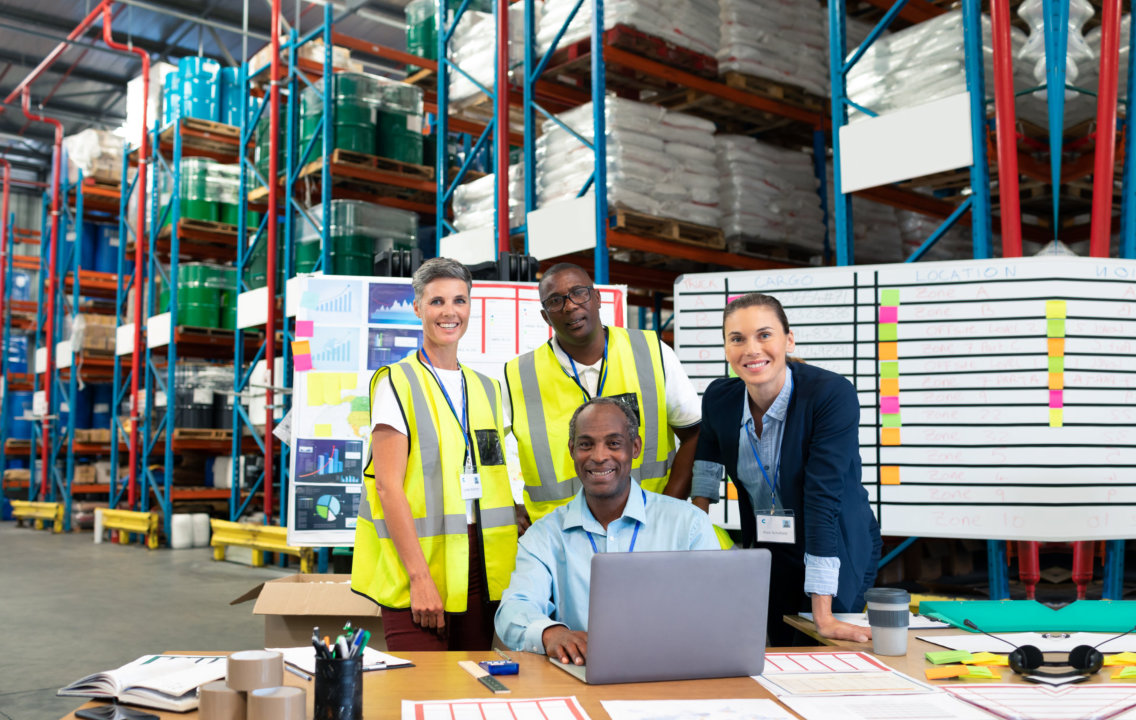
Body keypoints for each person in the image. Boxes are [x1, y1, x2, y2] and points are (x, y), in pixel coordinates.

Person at [691, 292, 882, 646]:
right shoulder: (720, 396)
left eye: (764, 335)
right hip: (771, 546)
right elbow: (707, 454)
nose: (751, 349)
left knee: (820, 649)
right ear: (726, 347)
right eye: (737, 339)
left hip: (836, 542)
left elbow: (823, 501)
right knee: (776, 650)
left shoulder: (830, 396)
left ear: (788, 340)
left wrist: (823, 617)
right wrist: (694, 532)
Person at [352, 258, 518, 651]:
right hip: (419, 562)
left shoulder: (488, 388)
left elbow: (492, 475)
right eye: (437, 301)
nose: (449, 312)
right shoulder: (397, 382)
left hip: (480, 566)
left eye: (459, 301)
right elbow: (389, 488)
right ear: (417, 308)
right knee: (420, 697)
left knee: (468, 690)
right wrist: (420, 578)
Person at [495, 397, 719, 663]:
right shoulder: (544, 535)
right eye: (586, 444)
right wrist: (549, 633)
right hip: (583, 673)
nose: (599, 456)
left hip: (669, 670)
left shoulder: (688, 524)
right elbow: (513, 609)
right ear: (572, 450)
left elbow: (715, 610)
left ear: (634, 448)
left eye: (613, 443)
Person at [505, 263, 702, 527]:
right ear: (545, 316)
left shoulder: (651, 353)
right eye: (555, 301)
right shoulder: (519, 375)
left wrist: (669, 508)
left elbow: (696, 435)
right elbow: (477, 451)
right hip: (560, 536)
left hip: (647, 527)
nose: (570, 306)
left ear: (597, 298)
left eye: (579, 293)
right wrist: (508, 507)